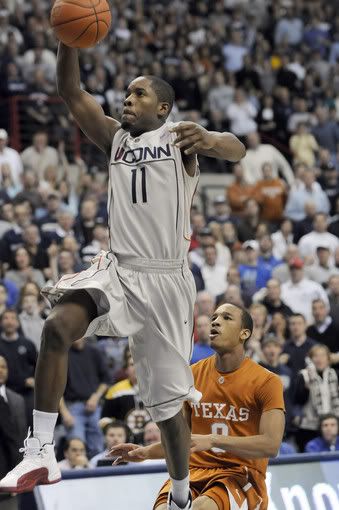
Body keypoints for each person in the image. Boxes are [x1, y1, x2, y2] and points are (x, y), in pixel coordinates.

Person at [0, 43, 245, 506]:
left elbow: (239, 148)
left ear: (163, 108)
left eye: (138, 94)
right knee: (57, 327)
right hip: (118, 270)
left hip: (166, 281)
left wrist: (209, 140)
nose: (126, 100)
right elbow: (71, 91)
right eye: (126, 94)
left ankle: (178, 494)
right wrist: (67, 36)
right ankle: (41, 449)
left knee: (168, 408)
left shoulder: (180, 138)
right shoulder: (114, 137)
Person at [110, 303, 285, 510]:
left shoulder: (267, 381)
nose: (216, 321)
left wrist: (212, 440)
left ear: (244, 333)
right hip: (193, 470)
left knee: (203, 507)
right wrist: (146, 452)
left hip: (240, 473)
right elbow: (183, 440)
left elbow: (271, 445)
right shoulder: (190, 375)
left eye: (227, 318)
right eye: (214, 318)